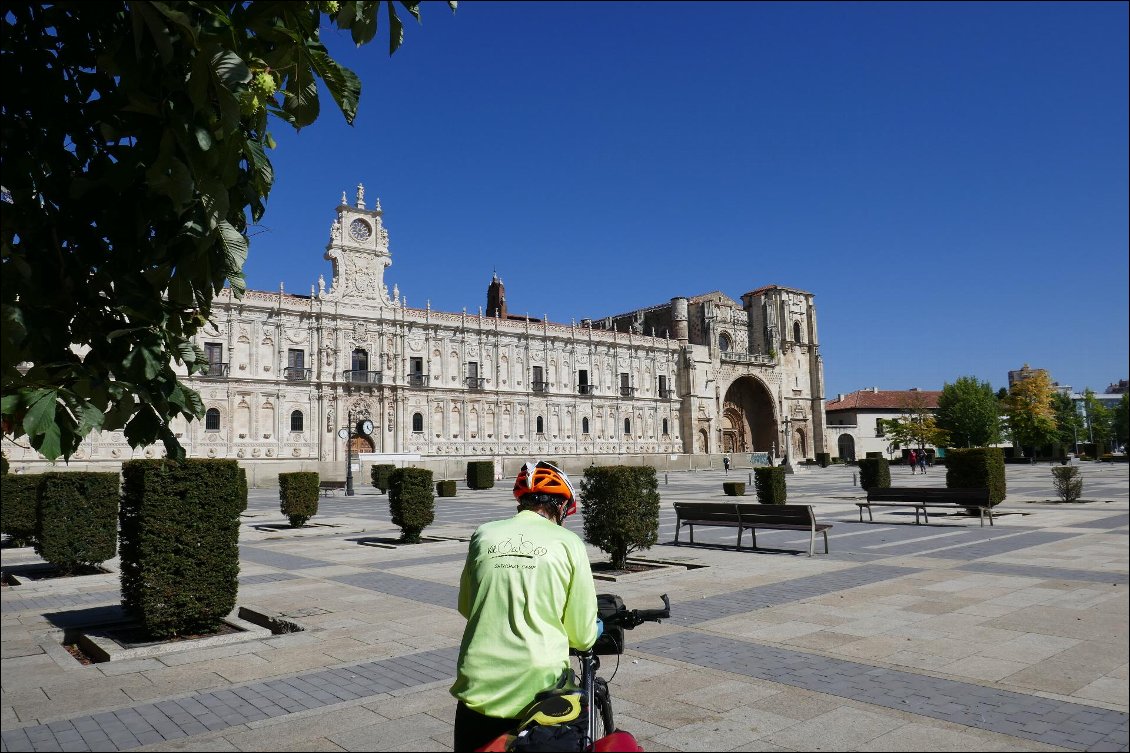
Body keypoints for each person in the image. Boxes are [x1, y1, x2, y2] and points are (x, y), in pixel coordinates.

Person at [450, 461, 599, 752]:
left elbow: (467, 606)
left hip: (477, 685)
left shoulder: (484, 534)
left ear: (523, 503)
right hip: (539, 690)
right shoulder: (568, 543)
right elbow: (581, 635)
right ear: (559, 507)